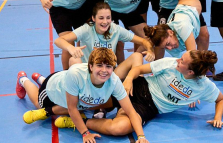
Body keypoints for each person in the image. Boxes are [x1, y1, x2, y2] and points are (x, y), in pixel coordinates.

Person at [56, 50, 223, 133]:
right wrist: (129, 80)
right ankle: (51, 108)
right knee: (79, 104)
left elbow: (221, 99)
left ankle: (81, 122)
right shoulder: (169, 63)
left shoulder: (204, 86)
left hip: (149, 108)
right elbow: (138, 69)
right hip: (136, 88)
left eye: (182, 61)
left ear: (190, 72)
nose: (178, 59)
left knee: (119, 129)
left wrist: (217, 117)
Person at [15, 48, 149, 143]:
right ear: (90, 66)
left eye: (108, 66)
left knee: (82, 104)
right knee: (39, 103)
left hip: (68, 88)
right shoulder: (76, 75)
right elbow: (72, 108)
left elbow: (130, 111)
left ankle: (39, 78)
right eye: (99, 65)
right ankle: (23, 80)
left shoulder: (114, 81)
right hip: (52, 89)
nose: (104, 70)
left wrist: (141, 136)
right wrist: (85, 133)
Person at [54, 2, 155, 65]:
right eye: (101, 18)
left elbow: (143, 41)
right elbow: (58, 41)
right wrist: (71, 48)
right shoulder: (86, 29)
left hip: (108, 70)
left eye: (108, 18)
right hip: (88, 71)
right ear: (93, 18)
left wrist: (150, 50)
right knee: (74, 60)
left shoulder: (115, 29)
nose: (105, 22)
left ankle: (136, 87)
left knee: (137, 56)